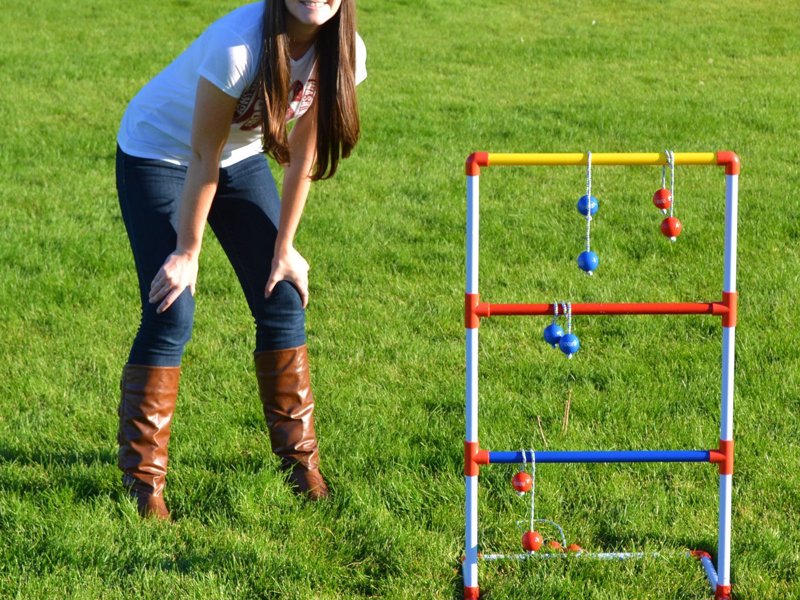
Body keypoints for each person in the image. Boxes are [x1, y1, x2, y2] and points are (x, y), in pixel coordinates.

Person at [115, 0, 366, 519]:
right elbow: (202, 157)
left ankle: (300, 463)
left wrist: (285, 248)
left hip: (238, 157)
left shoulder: (345, 52)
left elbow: (302, 153)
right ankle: (144, 483)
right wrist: (188, 250)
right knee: (172, 306)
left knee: (283, 296)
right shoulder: (239, 45)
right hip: (159, 153)